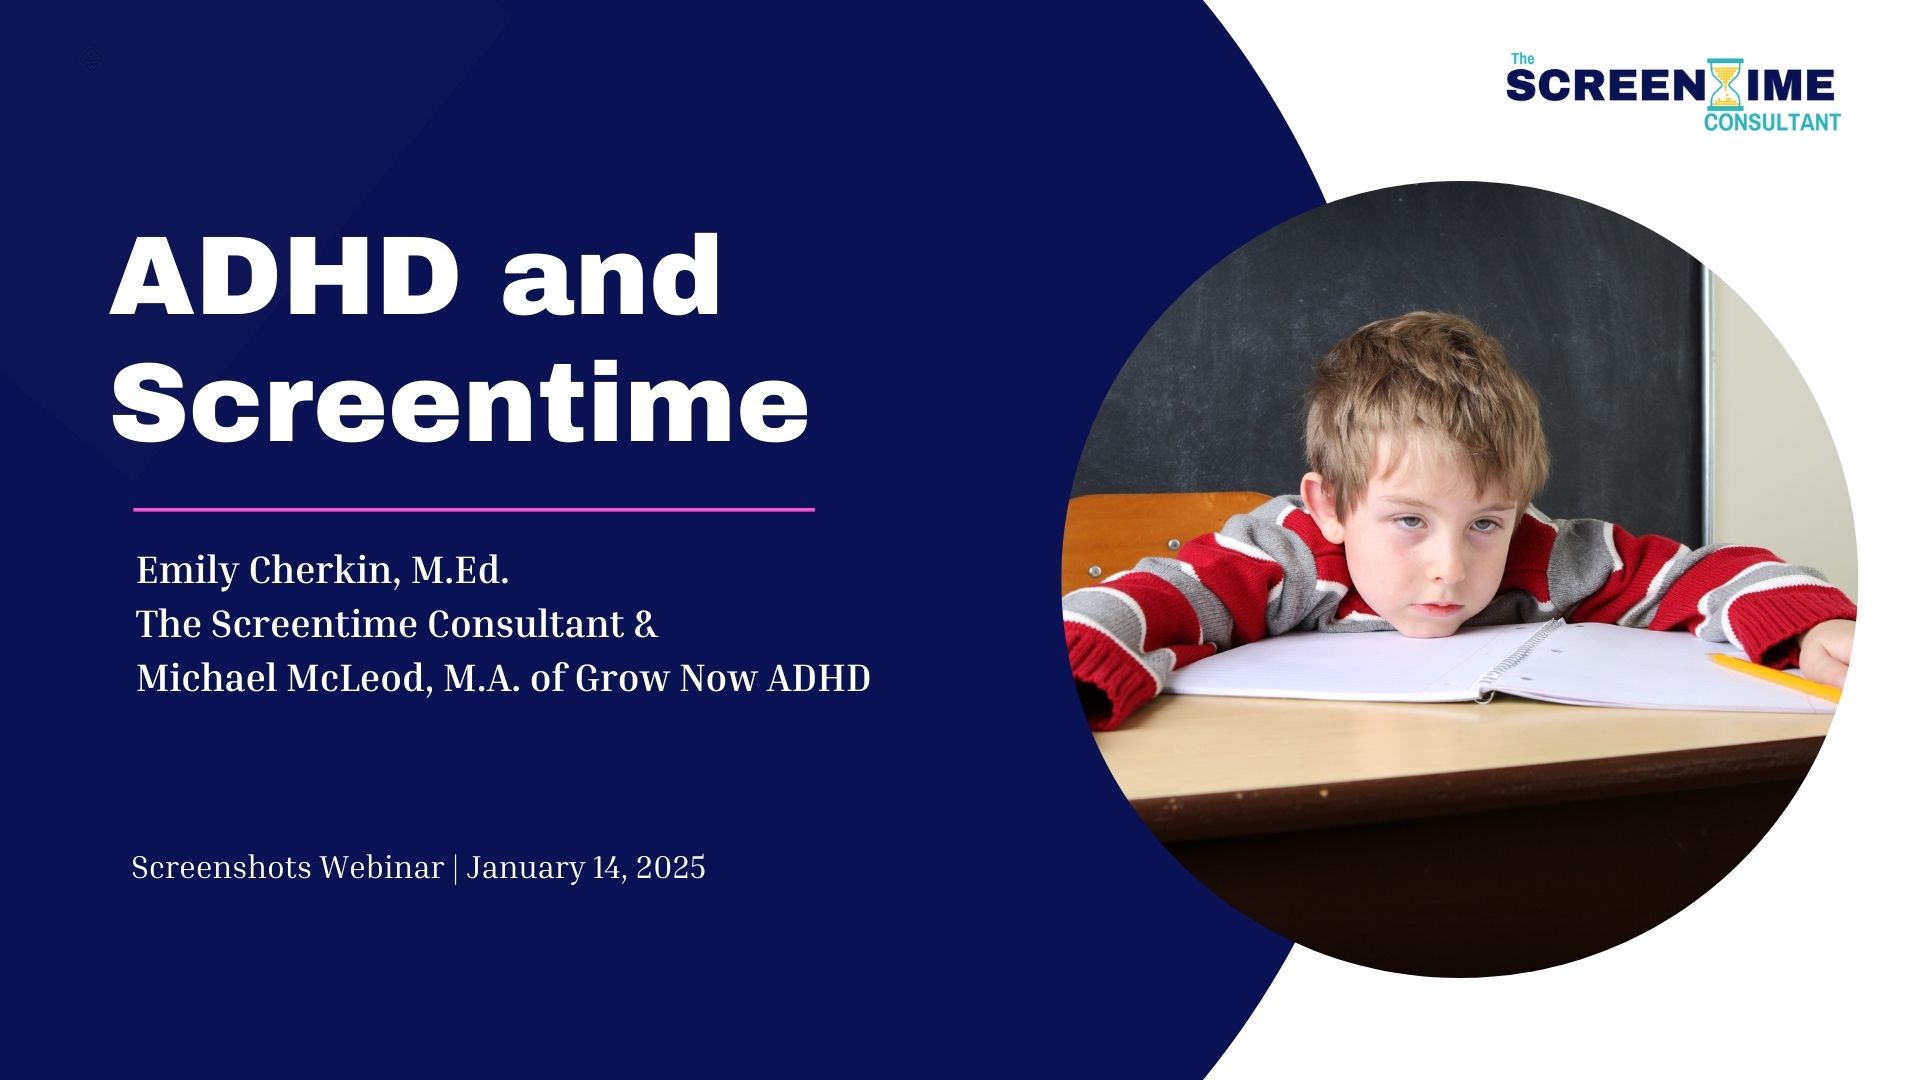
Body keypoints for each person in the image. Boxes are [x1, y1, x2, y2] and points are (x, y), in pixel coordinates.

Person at [1064, 311, 1857, 729]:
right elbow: (1151, 594)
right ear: (1330, 506)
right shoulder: (1283, 559)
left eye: (1485, 523)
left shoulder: (1542, 556)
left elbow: (1692, 575)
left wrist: (1811, 626)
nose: (1452, 565)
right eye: (1409, 521)